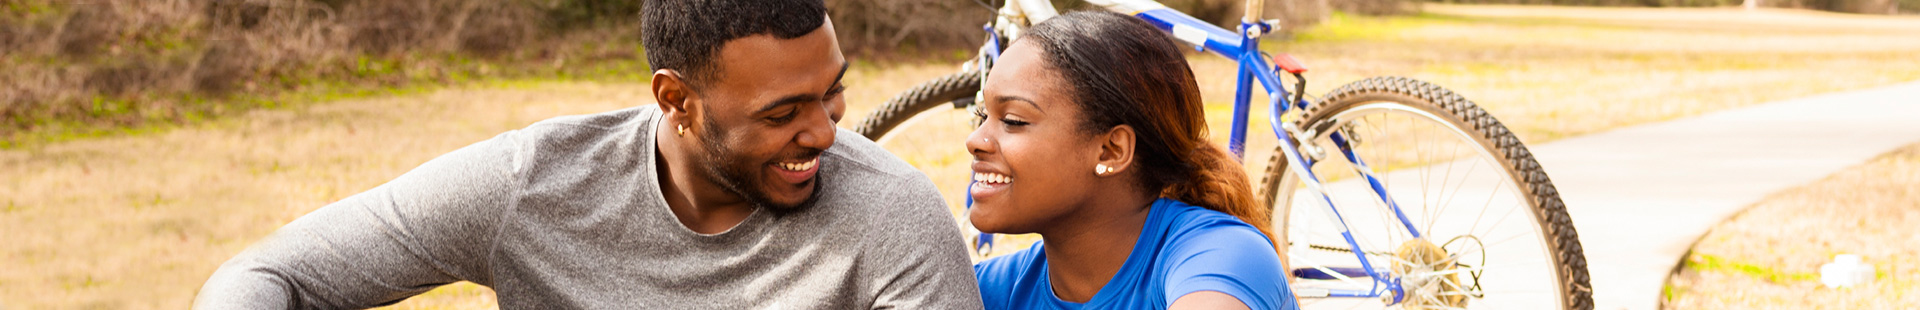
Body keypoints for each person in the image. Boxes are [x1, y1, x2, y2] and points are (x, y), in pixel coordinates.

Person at [191, 0, 983, 308]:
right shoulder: (533, 184)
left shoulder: (892, 217)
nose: (824, 132)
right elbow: (269, 274)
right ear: (676, 100)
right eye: (782, 113)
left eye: (831, 92)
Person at [966, 11, 1301, 310]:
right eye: (982, 116)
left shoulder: (1223, 257)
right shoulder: (990, 290)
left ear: (1112, 150)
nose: (975, 141)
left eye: (1012, 120)